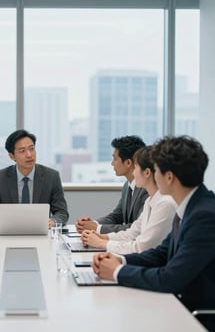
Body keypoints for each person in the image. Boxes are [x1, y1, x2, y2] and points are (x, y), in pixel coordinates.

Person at [92, 136, 215, 332]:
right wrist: (118, 260)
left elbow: (169, 278)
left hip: (195, 317)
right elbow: (160, 253)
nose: (153, 176)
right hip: (178, 306)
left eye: (156, 170)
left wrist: (117, 272)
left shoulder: (204, 216)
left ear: (169, 177)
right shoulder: (191, 206)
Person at [81, 146, 176, 254]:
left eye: (135, 168)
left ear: (147, 173)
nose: (133, 173)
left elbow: (142, 247)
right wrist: (103, 237)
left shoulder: (165, 203)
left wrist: (102, 243)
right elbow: (132, 233)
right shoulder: (150, 200)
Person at [0, 129, 69, 229]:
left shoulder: (51, 176)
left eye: (32, 148)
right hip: (9, 233)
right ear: (12, 156)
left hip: (41, 233)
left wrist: (52, 222)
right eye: (22, 151)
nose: (29, 155)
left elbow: (62, 212)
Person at [76, 135, 148, 234]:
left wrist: (97, 228)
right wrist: (92, 223)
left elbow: (136, 228)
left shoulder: (146, 189)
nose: (112, 163)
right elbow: (117, 216)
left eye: (115, 159)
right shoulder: (128, 186)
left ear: (128, 163)